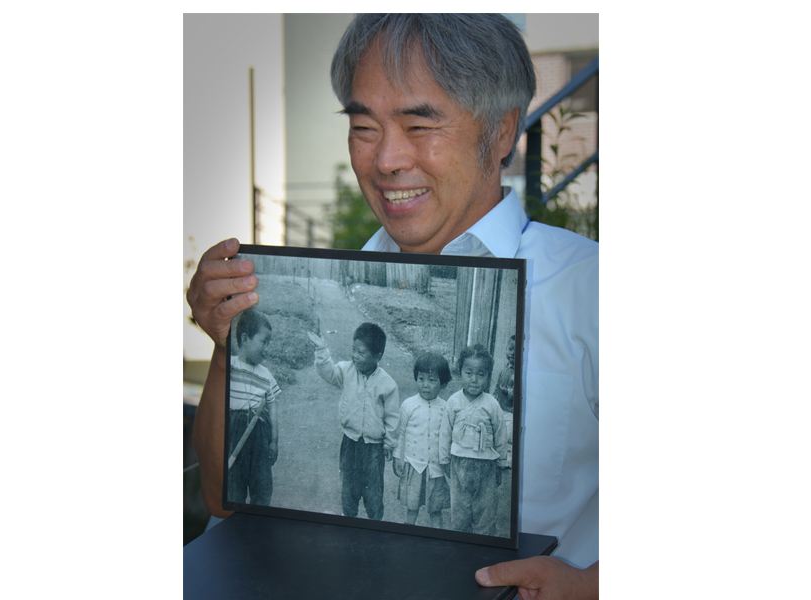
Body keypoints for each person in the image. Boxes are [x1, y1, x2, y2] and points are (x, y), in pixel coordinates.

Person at [187, 13, 598, 599]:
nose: (385, 160)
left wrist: (592, 586)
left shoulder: (593, 289)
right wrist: (227, 349)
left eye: (418, 124)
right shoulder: (333, 278)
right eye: (363, 126)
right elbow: (220, 502)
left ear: (502, 131)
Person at [307, 323, 400, 520]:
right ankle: (349, 522)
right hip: (350, 443)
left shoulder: (387, 384)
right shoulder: (346, 371)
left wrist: (390, 443)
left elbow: (392, 416)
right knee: (348, 489)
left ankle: (375, 525)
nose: (355, 356)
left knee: (374, 493)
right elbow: (328, 373)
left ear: (377, 356)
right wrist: (321, 349)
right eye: (354, 350)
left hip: (374, 449)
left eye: (361, 352)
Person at [439, 344, 508, 536]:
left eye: (481, 375)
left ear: (488, 376)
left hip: (486, 466)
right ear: (460, 372)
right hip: (459, 463)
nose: (474, 380)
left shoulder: (492, 404)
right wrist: (444, 460)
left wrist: (501, 463)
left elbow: (501, 434)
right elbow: (445, 432)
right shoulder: (453, 402)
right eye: (469, 373)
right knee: (460, 509)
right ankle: (461, 543)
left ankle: (482, 545)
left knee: (485, 512)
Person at [226, 309, 279, 506]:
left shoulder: (265, 375)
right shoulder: (229, 367)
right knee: (233, 488)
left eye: (269, 343)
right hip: (234, 434)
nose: (267, 348)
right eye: (264, 342)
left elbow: (272, 409)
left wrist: (274, 441)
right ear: (245, 338)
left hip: (259, 437)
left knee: (262, 487)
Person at [393, 352, 452, 528]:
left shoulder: (446, 408)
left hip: (436, 468)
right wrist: (398, 456)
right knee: (412, 509)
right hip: (414, 465)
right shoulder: (408, 405)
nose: (425, 385)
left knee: (436, 511)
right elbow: (401, 433)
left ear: (443, 383)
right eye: (421, 379)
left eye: (432, 380)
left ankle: (437, 540)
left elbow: (448, 437)